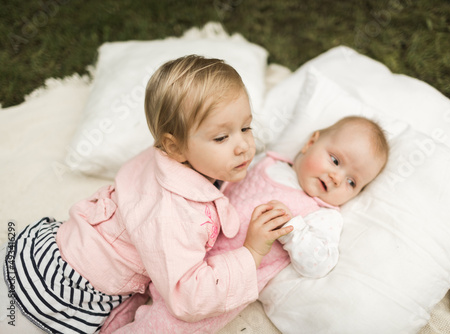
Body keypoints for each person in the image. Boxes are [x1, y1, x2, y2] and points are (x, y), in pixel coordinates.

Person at [0, 55, 292, 334]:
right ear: (174, 147)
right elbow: (187, 296)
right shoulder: (173, 214)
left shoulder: (173, 158)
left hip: (54, 244)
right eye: (221, 138)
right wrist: (251, 252)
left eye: (246, 127)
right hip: (59, 288)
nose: (243, 146)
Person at [107, 115, 389, 333]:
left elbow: (319, 264)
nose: (338, 178)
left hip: (223, 284)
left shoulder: (323, 214)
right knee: (131, 285)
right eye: (335, 160)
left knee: (166, 325)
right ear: (310, 142)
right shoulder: (270, 162)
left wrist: (294, 229)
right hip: (191, 245)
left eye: (352, 181)